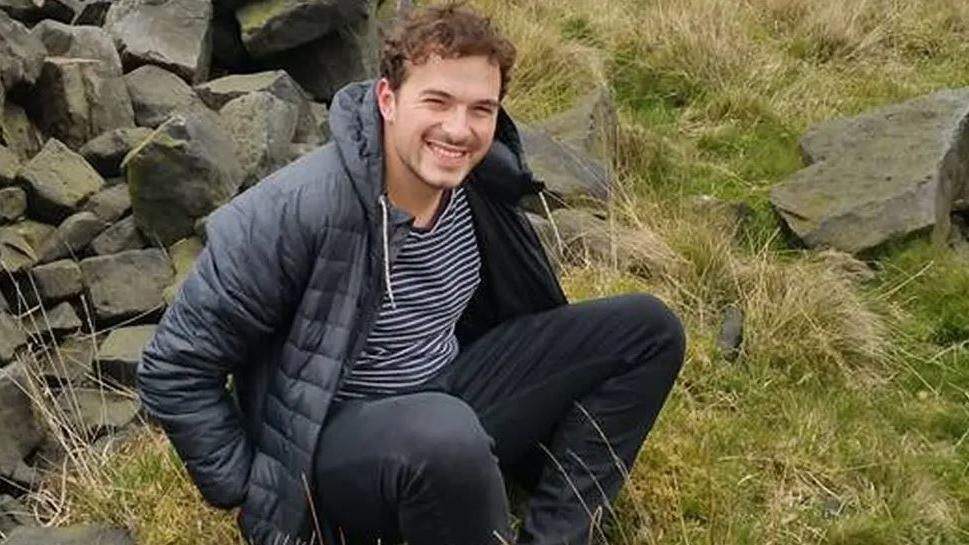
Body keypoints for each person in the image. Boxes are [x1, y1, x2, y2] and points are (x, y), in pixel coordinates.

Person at [137, 4, 686, 545]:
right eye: (437, 101)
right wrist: (251, 489)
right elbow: (174, 367)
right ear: (387, 99)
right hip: (334, 445)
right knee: (445, 437)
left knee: (648, 328)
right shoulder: (293, 211)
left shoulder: (481, 187)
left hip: (447, 396)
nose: (458, 129)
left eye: (480, 109)